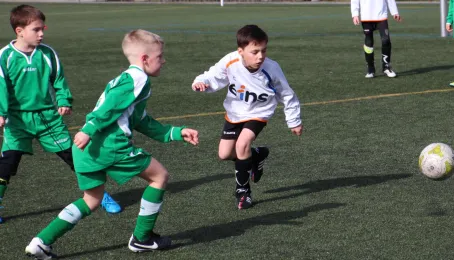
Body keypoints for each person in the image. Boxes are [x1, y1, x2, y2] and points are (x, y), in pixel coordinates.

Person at [25, 29, 199, 259]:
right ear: (145, 59)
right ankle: (142, 238)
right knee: (160, 177)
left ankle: (41, 241)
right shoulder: (138, 78)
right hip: (109, 145)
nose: (164, 60)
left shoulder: (124, 79)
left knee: (92, 199)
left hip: (86, 150)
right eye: (160, 56)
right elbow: (111, 107)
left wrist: (175, 132)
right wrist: (89, 129)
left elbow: (140, 120)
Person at [0, 5, 121, 225]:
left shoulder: (47, 53)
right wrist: (1, 112)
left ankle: (99, 194)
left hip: (48, 118)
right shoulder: (5, 56)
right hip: (17, 120)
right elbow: (0, 87)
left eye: (42, 29)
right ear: (19, 30)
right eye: (36, 29)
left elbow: (58, 79)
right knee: (6, 163)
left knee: (74, 156)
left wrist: (64, 100)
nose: (42, 34)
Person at [192, 24, 303, 210]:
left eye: (263, 50)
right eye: (255, 52)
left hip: (260, 112)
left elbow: (287, 94)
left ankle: (243, 191)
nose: (260, 56)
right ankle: (257, 155)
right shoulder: (230, 61)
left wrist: (294, 121)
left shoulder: (272, 68)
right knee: (224, 154)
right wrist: (201, 82)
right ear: (240, 51)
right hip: (235, 112)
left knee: (242, 145)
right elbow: (213, 76)